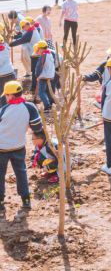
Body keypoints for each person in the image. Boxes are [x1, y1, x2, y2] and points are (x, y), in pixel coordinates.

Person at [0, 81, 42, 211]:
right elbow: (37, 127)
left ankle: (0, 202)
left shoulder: (3, 110)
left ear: (11, 95)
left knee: (1, 174)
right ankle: (26, 200)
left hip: (2, 148)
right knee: (21, 172)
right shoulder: (30, 107)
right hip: (19, 146)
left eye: (6, 95)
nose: (5, 98)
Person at [33, 41, 57, 113]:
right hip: (51, 74)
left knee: (41, 92)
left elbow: (39, 67)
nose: (38, 51)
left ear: (41, 49)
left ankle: (47, 106)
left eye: (38, 49)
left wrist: (37, 75)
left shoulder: (43, 55)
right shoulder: (50, 53)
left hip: (43, 76)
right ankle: (51, 103)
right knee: (48, 91)